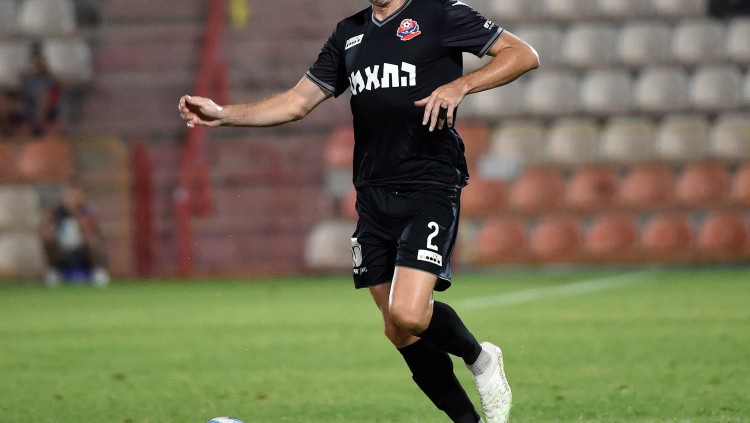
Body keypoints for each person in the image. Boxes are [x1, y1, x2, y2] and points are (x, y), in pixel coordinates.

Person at [179, 1, 538, 422]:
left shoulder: (440, 13)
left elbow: (522, 54)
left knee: (408, 312)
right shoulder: (348, 33)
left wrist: (462, 86)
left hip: (428, 185)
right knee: (397, 329)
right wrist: (223, 115)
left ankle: (480, 358)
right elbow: (296, 102)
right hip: (371, 195)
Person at [40, 182, 110, 286]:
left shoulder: (87, 210)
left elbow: (90, 229)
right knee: (48, 238)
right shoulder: (57, 211)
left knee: (92, 241)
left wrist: (74, 212)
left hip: (82, 247)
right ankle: (55, 271)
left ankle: (97, 271)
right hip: (62, 245)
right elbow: (44, 228)